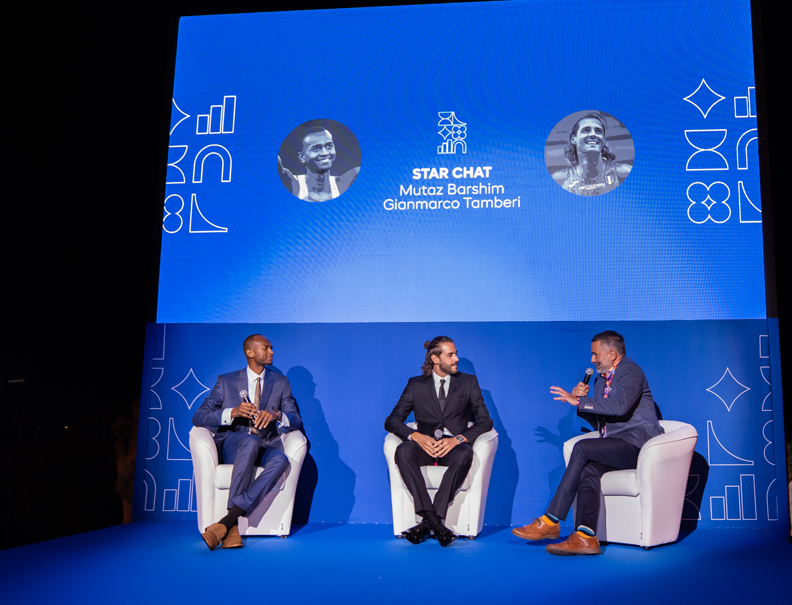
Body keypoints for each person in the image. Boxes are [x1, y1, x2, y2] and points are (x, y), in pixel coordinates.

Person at [512, 330, 663, 555]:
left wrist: (583, 402)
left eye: (595, 354)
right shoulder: (601, 381)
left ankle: (551, 519)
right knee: (589, 470)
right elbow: (601, 422)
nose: (592, 360)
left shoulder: (630, 370)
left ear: (612, 354)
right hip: (616, 444)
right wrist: (580, 403)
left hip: (639, 447)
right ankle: (585, 537)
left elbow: (621, 406)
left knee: (582, 448)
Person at [192, 334, 302, 550]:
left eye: (271, 348)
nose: (271, 352)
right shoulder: (227, 380)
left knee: (281, 459)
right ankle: (230, 524)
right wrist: (232, 412)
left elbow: (296, 420)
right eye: (266, 348)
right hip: (234, 443)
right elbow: (198, 416)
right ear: (250, 353)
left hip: (266, 444)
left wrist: (277, 415)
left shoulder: (281, 383)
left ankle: (226, 523)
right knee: (250, 441)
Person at [385, 336, 493, 547]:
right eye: (450, 355)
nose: (457, 359)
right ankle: (436, 523)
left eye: (456, 353)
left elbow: (485, 421)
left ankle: (427, 523)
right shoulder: (415, 384)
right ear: (435, 358)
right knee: (403, 451)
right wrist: (416, 436)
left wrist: (458, 439)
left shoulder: (468, 382)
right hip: (425, 446)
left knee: (465, 453)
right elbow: (392, 421)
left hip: (453, 448)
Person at [552, 114, 632, 196]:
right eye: (586, 130)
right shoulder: (560, 179)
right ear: (573, 139)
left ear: (603, 140)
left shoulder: (623, 173)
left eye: (598, 131)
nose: (593, 134)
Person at [278, 125, 359, 202]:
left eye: (329, 146)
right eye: (316, 148)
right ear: (302, 157)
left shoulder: (344, 183)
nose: (325, 153)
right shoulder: (294, 184)